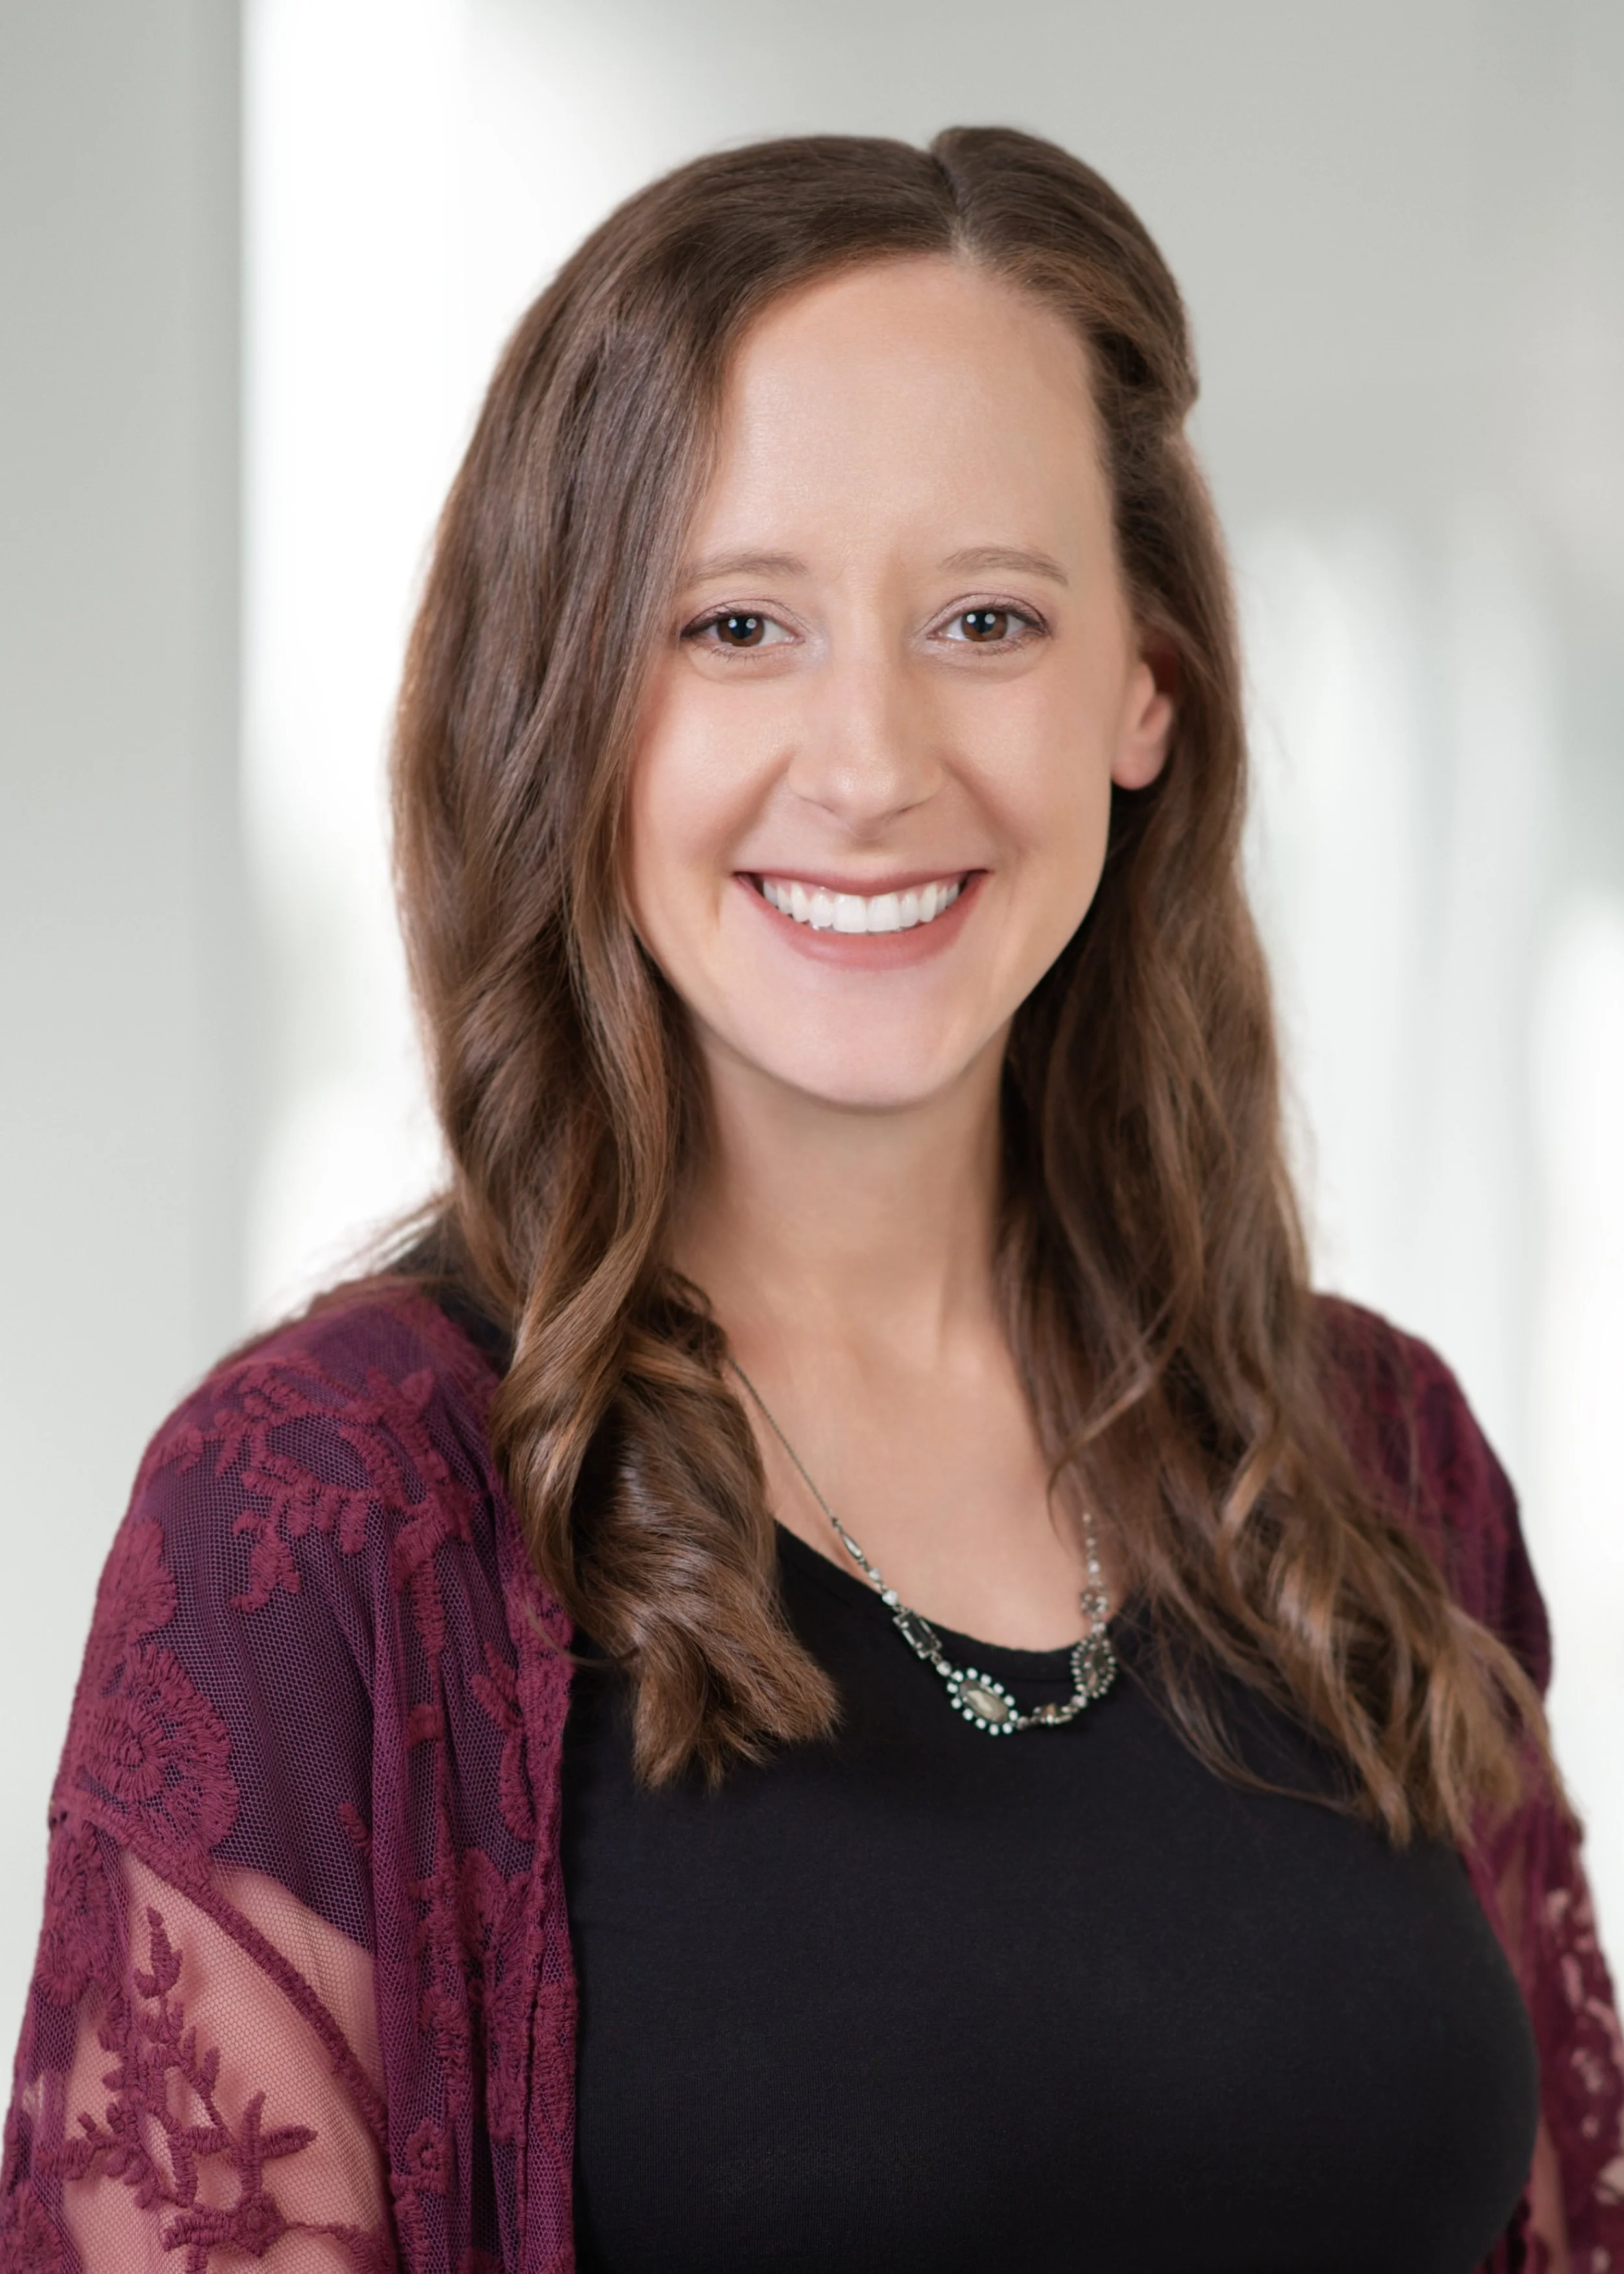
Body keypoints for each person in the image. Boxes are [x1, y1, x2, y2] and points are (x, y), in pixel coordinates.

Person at [2, 126, 1619, 2274]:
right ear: (575, 696)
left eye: (983, 617)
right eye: (738, 623)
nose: (867, 760)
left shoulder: (1382, 1462)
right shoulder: (324, 1518)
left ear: (1142, 683)